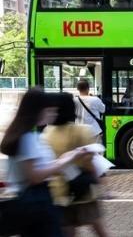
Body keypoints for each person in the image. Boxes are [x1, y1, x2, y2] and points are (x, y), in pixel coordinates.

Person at [0, 88, 90, 237]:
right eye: (49, 111)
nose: (53, 115)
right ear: (37, 110)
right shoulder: (28, 138)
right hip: (38, 202)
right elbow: (35, 176)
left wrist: (67, 158)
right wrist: (64, 161)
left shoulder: (27, 135)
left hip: (34, 201)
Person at [43, 92, 109, 237]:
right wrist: (101, 183)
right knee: (99, 229)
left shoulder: (46, 134)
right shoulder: (82, 131)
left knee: (68, 230)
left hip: (59, 193)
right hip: (83, 191)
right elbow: (91, 162)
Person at [74, 79, 105, 144]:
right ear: (88, 88)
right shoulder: (95, 100)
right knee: (95, 152)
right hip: (94, 132)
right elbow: (103, 109)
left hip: (79, 132)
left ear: (78, 89)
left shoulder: (74, 100)